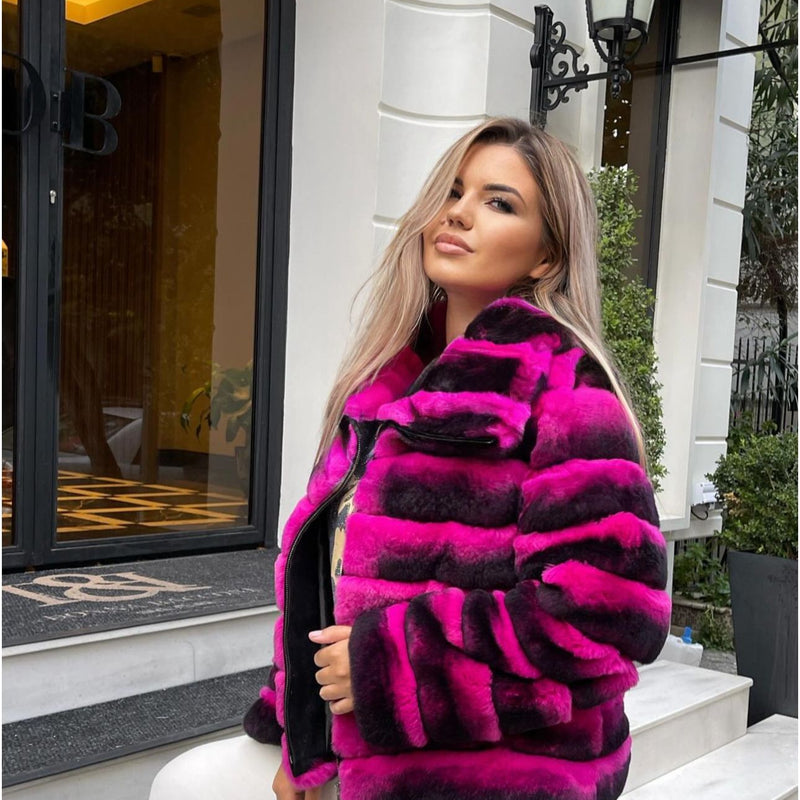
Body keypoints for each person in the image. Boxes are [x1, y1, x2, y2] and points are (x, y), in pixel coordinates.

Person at [150, 117, 671, 800]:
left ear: (546, 256)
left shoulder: (569, 394)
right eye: (455, 191)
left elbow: (604, 618)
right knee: (186, 785)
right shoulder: (381, 393)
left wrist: (385, 667)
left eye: (499, 202)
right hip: (360, 757)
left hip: (502, 774)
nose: (458, 212)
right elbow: (331, 586)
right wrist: (302, 736)